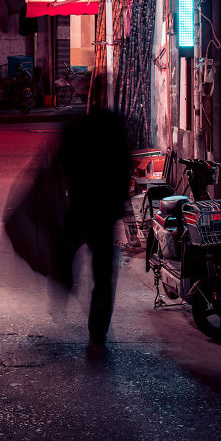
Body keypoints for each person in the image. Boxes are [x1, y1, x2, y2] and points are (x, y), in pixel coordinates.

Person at [56, 104, 131, 357]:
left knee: (68, 252)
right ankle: (98, 332)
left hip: (80, 206)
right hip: (104, 212)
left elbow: (62, 164)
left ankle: (64, 284)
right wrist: (119, 203)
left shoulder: (74, 127)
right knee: (102, 273)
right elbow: (124, 167)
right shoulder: (115, 127)